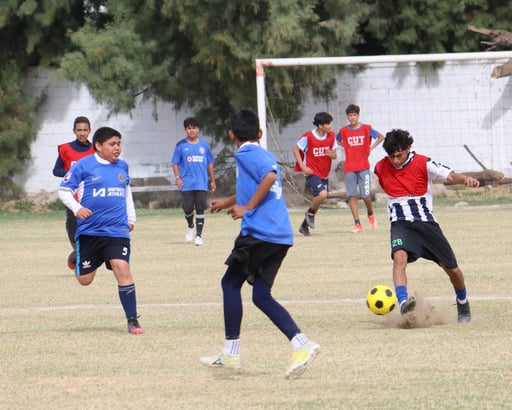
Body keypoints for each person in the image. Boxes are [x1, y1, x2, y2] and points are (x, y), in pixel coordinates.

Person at [201, 109, 320, 379]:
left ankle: (231, 353)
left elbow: (267, 178)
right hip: (280, 235)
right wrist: (230, 201)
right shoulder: (263, 152)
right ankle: (302, 344)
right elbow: (263, 180)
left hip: (259, 232)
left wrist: (246, 208)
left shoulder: (244, 154)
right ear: (260, 133)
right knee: (261, 295)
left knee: (229, 283)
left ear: (231, 135)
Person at [374, 129, 479, 323]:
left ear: (408, 148)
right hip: (400, 224)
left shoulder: (423, 163)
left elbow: (450, 175)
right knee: (399, 258)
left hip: (426, 223)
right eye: (391, 157)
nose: (395, 160)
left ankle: (463, 302)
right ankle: (404, 302)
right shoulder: (380, 167)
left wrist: (465, 180)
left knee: (452, 269)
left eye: (399, 155)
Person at [58, 126, 144, 334]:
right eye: (112, 144)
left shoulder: (122, 166)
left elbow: (126, 193)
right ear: (98, 145)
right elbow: (64, 191)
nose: (117, 148)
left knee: (122, 269)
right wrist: (78, 209)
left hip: (117, 231)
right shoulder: (84, 166)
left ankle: (132, 320)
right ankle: (76, 256)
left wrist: (131, 218)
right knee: (85, 280)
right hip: (90, 232)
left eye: (119, 144)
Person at [53, 116, 95, 266]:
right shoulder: (65, 149)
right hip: (73, 196)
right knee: (72, 231)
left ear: (89, 131)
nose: (82, 133)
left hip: (91, 196)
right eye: (79, 130)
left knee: (91, 230)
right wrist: (72, 173)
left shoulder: (95, 150)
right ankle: (76, 253)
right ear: (74, 131)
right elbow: (56, 170)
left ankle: (83, 257)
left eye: (85, 130)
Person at [337, 104, 384, 233]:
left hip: (363, 167)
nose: (352, 118)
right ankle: (357, 224)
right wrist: (345, 146)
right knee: (351, 195)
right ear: (347, 117)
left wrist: (370, 147)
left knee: (365, 195)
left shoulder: (366, 129)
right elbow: (337, 140)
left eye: (354, 115)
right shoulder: (343, 131)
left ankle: (370, 213)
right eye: (350, 115)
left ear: (358, 116)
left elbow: (381, 136)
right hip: (349, 168)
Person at [171, 117, 216, 246]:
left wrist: (212, 180)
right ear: (185, 130)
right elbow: (175, 163)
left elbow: (210, 163)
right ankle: (190, 225)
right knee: (187, 208)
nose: (192, 130)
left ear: (198, 129)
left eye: (194, 128)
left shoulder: (204, 145)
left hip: (201, 183)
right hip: (187, 183)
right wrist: (178, 177)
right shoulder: (181, 145)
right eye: (189, 128)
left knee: (200, 207)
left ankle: (199, 236)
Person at [293, 112, 337, 236]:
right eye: (328, 124)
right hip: (312, 172)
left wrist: (332, 155)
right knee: (323, 194)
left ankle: (304, 226)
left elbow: (334, 155)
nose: (330, 126)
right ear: (320, 125)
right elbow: (296, 150)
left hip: (324, 173)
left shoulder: (331, 136)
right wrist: (303, 167)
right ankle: (310, 214)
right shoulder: (308, 137)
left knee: (318, 199)